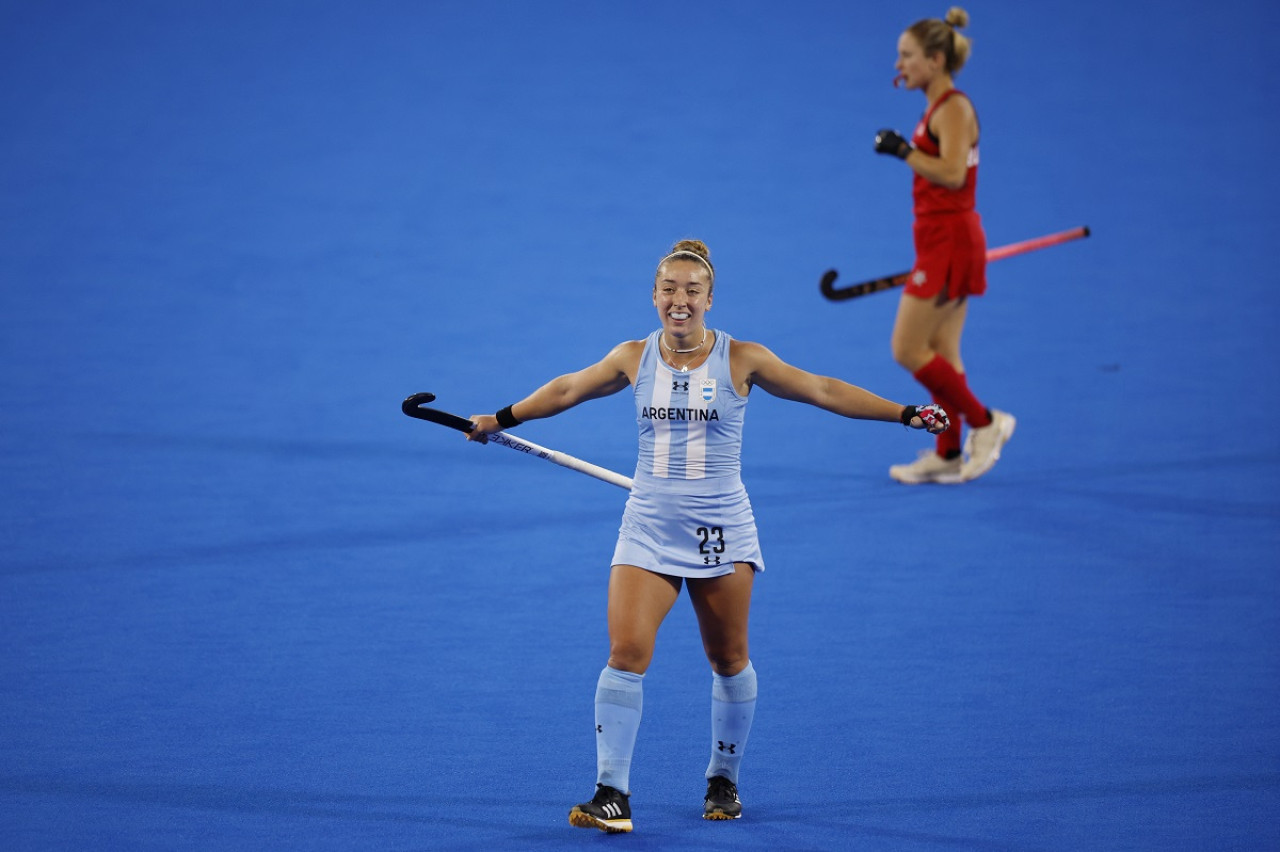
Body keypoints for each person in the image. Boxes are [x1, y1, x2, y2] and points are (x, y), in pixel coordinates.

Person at [465, 239, 948, 833]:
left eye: (692, 290)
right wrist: (501, 418)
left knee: (727, 658)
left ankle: (724, 778)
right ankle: (611, 792)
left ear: (710, 299)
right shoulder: (632, 357)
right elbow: (567, 389)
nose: (679, 300)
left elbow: (821, 390)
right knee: (625, 654)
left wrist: (904, 413)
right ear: (654, 295)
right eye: (669, 289)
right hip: (647, 526)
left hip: (721, 530)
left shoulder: (742, 359)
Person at [873, 6, 1015, 484]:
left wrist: (903, 152)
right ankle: (948, 450)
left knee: (908, 349)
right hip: (937, 239)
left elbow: (953, 174)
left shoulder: (953, 107)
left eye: (907, 55)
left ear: (935, 60)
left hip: (949, 243)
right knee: (943, 353)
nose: (900, 65)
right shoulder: (937, 107)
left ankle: (986, 422)